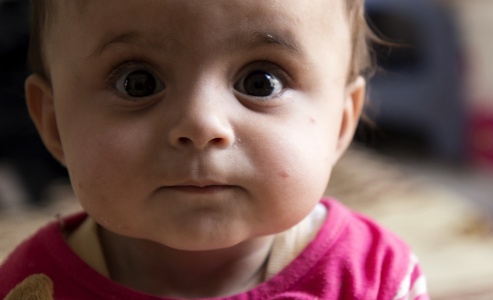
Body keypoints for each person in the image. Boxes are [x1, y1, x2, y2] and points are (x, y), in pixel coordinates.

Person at [0, 0, 429, 299]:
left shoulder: (374, 279)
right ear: (54, 123)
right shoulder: (30, 286)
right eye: (138, 83)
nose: (201, 124)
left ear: (340, 121)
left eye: (261, 82)